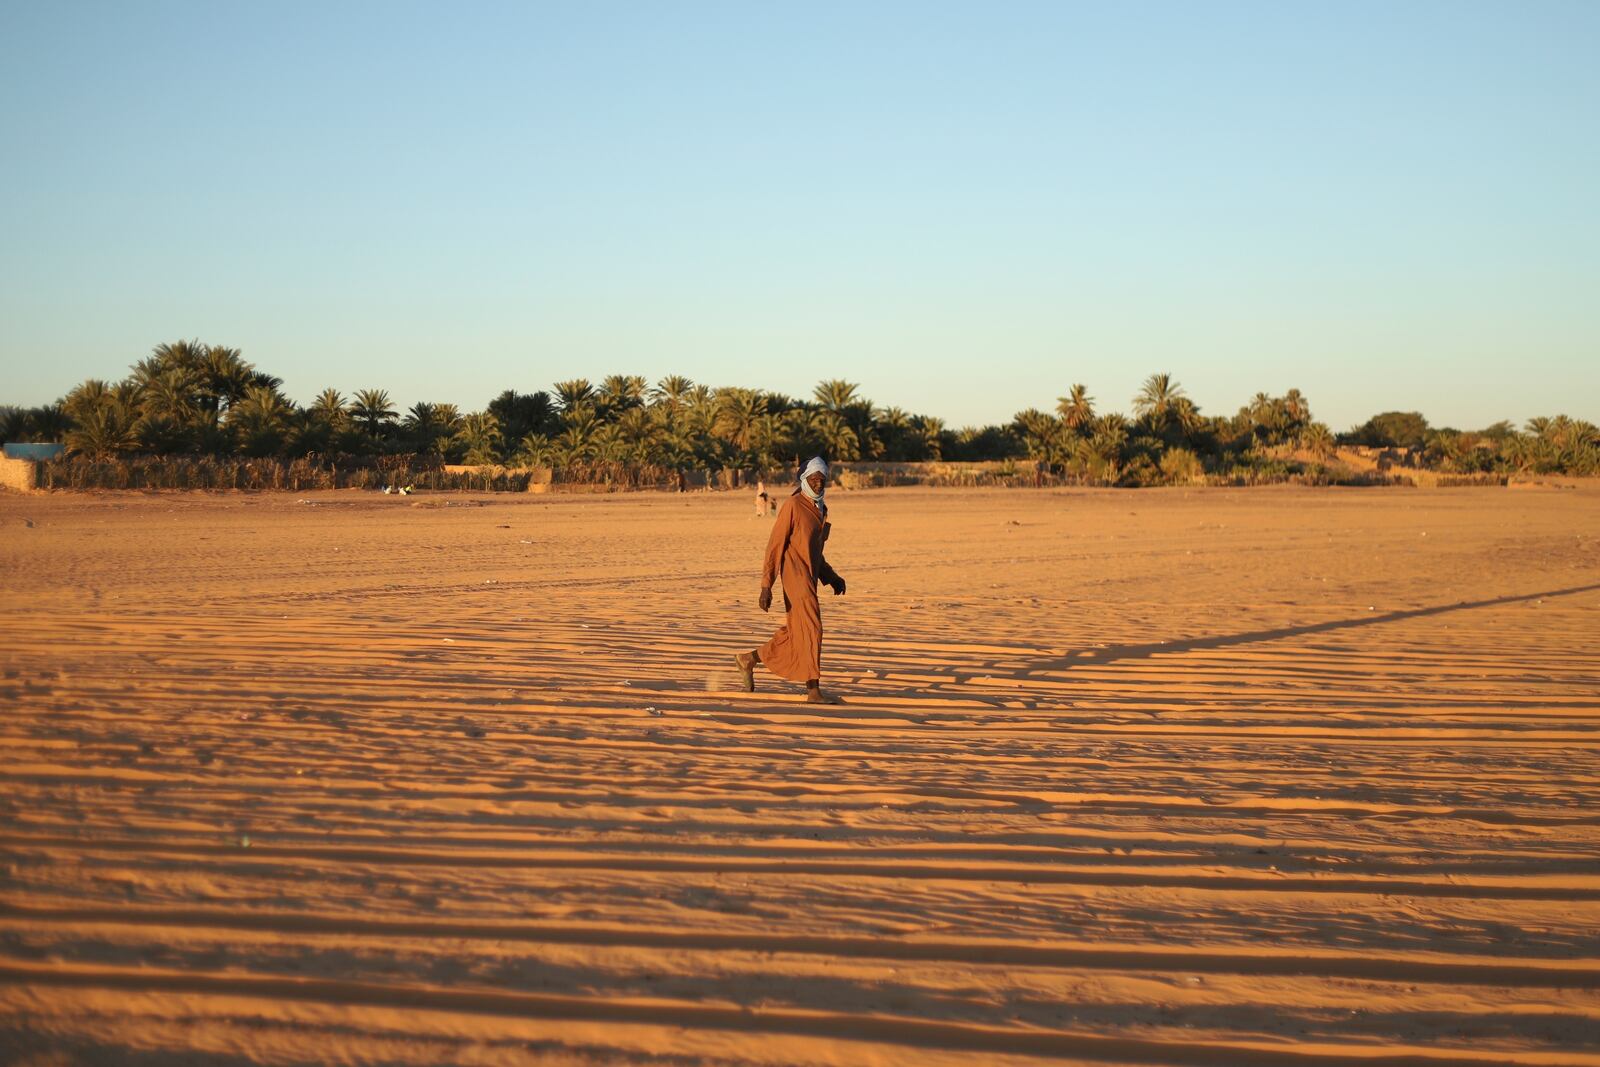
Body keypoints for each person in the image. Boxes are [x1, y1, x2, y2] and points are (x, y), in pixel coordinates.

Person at [734, 457, 846, 703]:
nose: (818, 483)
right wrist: (766, 586)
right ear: (804, 479)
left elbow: (815, 551)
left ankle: (749, 659)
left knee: (796, 633)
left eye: (821, 479)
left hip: (811, 576)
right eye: (813, 479)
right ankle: (813, 691)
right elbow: (774, 546)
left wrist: (832, 577)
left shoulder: (821, 509)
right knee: (813, 628)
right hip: (794, 577)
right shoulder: (793, 506)